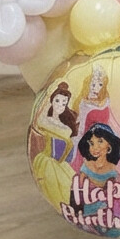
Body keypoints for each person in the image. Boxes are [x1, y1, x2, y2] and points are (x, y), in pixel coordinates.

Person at [31, 82, 78, 210]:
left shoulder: (66, 127)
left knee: (70, 186)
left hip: (62, 164)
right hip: (47, 161)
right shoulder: (45, 121)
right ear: (52, 101)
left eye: (64, 103)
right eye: (57, 101)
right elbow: (39, 121)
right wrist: (49, 93)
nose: (60, 106)